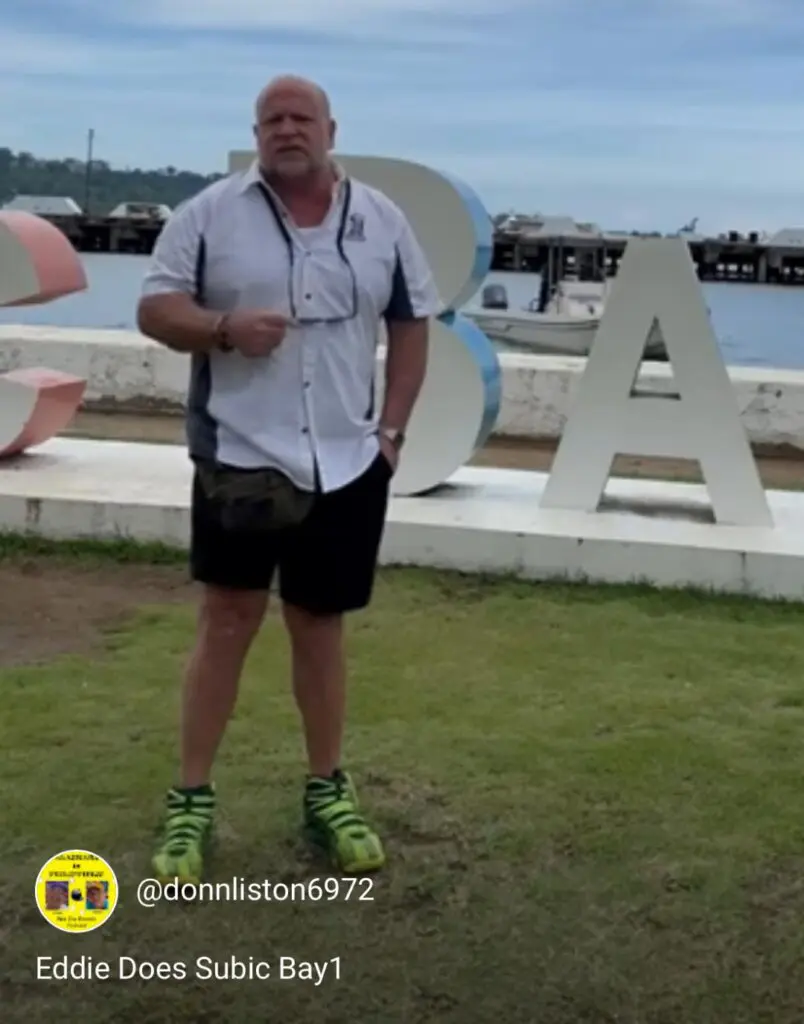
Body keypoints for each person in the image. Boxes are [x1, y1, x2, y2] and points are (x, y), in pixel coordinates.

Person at [136, 74, 442, 881]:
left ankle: (325, 790)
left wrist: (393, 432)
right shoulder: (208, 214)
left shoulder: (382, 220)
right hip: (240, 458)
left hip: (347, 462)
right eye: (271, 118)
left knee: (319, 625)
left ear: (331, 128)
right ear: (256, 131)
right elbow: (154, 308)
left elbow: (413, 323)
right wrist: (223, 328)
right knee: (227, 621)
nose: (286, 128)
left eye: (300, 116)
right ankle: (191, 801)